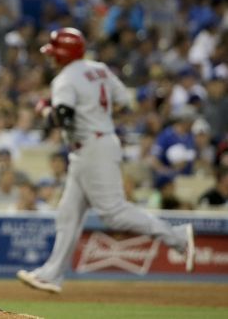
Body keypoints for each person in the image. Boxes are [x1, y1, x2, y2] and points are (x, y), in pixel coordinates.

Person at [17, 28, 195, 294]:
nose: (51, 58)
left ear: (64, 54)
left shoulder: (64, 79)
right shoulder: (99, 69)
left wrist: (44, 109)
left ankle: (177, 237)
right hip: (96, 143)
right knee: (68, 213)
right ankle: (51, 274)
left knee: (114, 213)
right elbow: (123, 102)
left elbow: (62, 119)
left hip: (91, 147)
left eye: (54, 52)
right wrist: (94, 111)